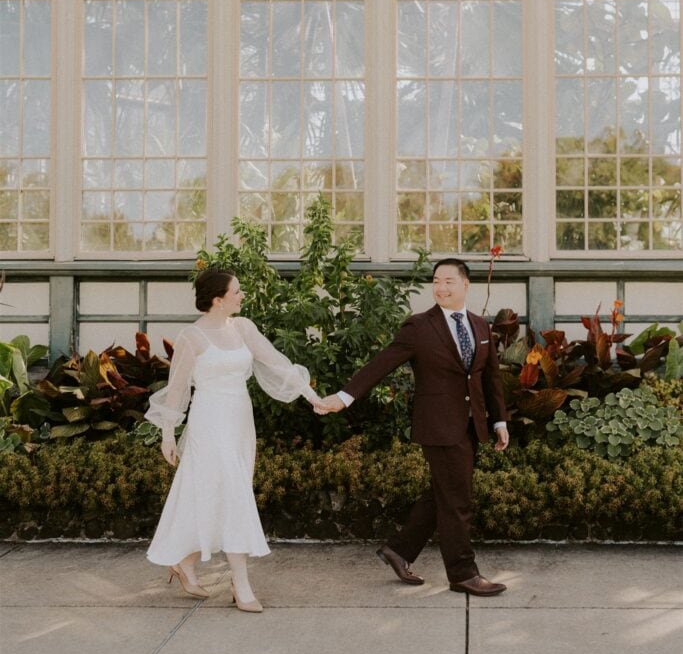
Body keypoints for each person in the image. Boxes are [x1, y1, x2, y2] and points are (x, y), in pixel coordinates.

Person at [317, 258, 510, 596]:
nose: (441, 287)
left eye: (449, 281)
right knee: (458, 501)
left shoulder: (480, 326)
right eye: (436, 281)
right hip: (438, 425)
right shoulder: (419, 327)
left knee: (444, 494)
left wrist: (499, 420)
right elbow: (382, 364)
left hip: (470, 425)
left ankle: (399, 550)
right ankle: (463, 573)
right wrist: (344, 397)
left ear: (466, 285)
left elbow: (490, 377)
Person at [145, 268, 325, 612]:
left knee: (223, 493)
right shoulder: (191, 338)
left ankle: (185, 560)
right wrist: (168, 434)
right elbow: (178, 390)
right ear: (218, 299)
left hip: (240, 420)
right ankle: (240, 583)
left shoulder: (243, 328)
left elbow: (276, 362)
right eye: (237, 291)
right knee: (234, 494)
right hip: (208, 422)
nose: (242, 295)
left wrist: (309, 394)